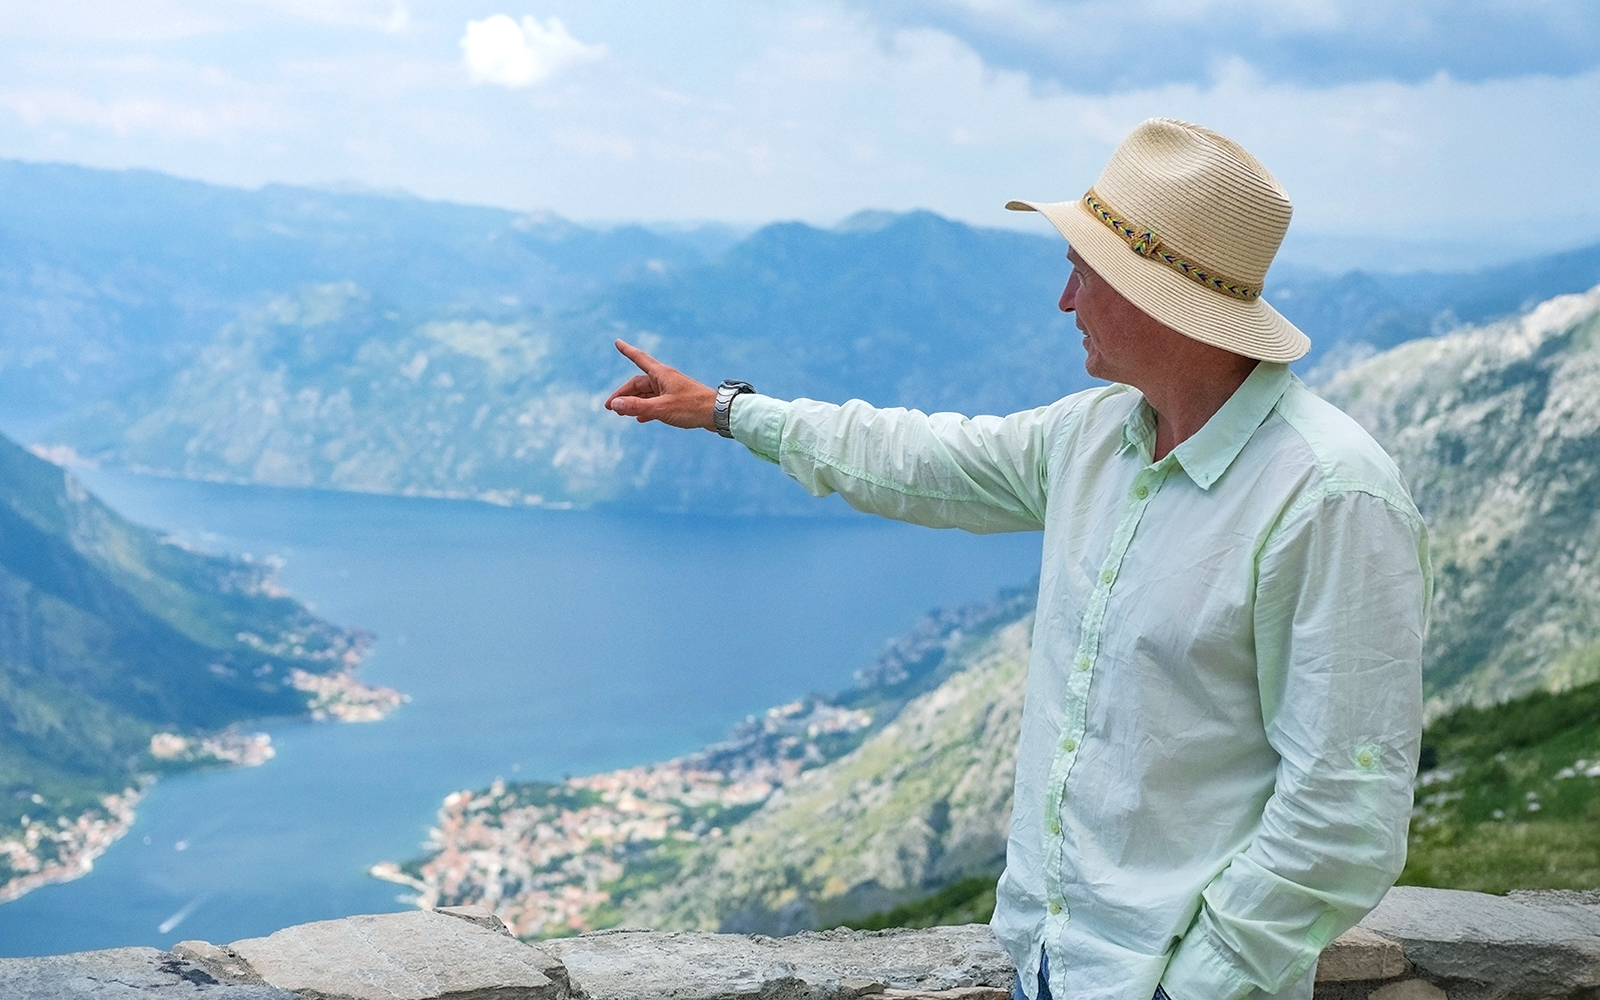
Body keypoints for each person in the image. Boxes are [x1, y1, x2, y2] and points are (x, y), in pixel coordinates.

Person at [604, 118, 1429, 1000]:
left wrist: (1193, 988)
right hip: (1044, 960)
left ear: (1155, 297)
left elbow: (1344, 812)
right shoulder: (1097, 436)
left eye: (1082, 271)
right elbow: (916, 458)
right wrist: (729, 409)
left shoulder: (1329, 494)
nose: (1064, 300)